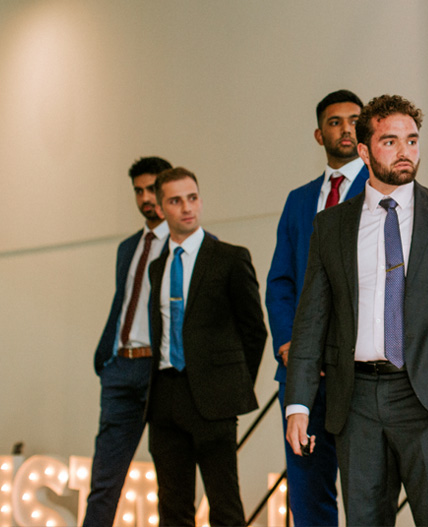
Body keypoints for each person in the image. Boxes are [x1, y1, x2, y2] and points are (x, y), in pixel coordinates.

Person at [284, 94, 428, 526]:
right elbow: (311, 320)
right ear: (363, 150)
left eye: (413, 140)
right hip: (357, 399)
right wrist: (298, 405)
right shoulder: (331, 226)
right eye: (390, 141)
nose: (405, 152)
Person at [266, 89, 368, 526]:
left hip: (359, 371)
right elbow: (281, 281)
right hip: (303, 372)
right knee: (308, 498)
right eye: (334, 121)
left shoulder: (382, 190)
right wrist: (290, 344)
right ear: (318, 133)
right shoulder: (298, 200)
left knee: (366, 492)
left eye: (353, 120)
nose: (345, 128)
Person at [145, 167, 267, 527]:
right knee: (171, 505)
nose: (187, 207)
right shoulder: (157, 267)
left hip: (214, 400)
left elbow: (254, 331)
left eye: (192, 197)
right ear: (161, 208)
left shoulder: (230, 257)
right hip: (165, 396)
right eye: (176, 200)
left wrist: (233, 385)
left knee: (225, 504)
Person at [84, 156, 172, 527]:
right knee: (104, 480)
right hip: (120, 367)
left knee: (171, 479)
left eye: (152, 189)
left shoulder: (188, 245)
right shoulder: (128, 248)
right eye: (138, 191)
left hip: (163, 371)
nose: (145, 198)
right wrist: (106, 360)